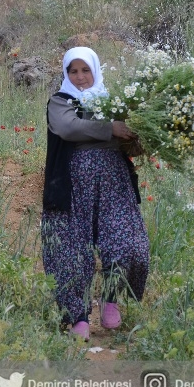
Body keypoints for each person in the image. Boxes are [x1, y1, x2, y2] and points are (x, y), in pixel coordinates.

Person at [41, 46, 149, 341]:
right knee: (71, 250)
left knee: (128, 243)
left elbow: (129, 140)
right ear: (66, 74)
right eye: (73, 71)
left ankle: (111, 299)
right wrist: (109, 129)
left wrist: (141, 135)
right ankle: (78, 316)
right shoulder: (60, 101)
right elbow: (68, 128)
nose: (80, 77)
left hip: (114, 181)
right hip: (72, 185)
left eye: (85, 70)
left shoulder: (113, 102)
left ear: (95, 70)